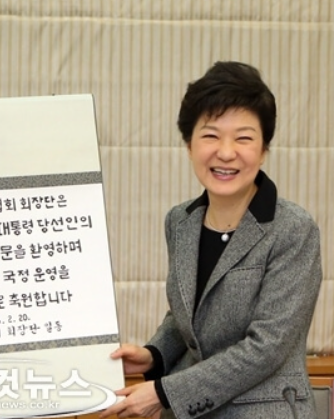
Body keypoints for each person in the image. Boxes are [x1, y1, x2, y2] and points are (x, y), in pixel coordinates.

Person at [102, 61, 322, 419]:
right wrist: (154, 355)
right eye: (210, 135)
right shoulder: (180, 221)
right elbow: (190, 315)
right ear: (189, 145)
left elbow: (268, 347)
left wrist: (164, 392)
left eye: (244, 138)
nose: (226, 152)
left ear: (264, 149)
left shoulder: (293, 229)